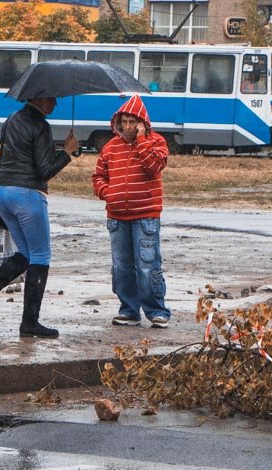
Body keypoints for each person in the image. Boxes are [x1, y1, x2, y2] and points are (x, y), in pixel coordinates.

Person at [0, 96, 78, 338]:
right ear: (38, 97)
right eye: (52, 99)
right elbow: (45, 170)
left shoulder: (11, 120)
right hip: (27, 195)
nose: (55, 104)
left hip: (3, 193)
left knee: (26, 254)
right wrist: (67, 152)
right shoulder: (40, 125)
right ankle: (30, 322)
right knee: (41, 256)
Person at [91, 94, 171, 328]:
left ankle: (157, 310)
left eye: (132, 122)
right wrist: (108, 192)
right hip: (116, 216)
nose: (127, 126)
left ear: (142, 123)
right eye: (124, 121)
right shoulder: (110, 148)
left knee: (148, 265)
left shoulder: (156, 143)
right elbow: (98, 176)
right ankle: (128, 309)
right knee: (121, 266)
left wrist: (142, 140)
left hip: (145, 215)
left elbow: (153, 167)